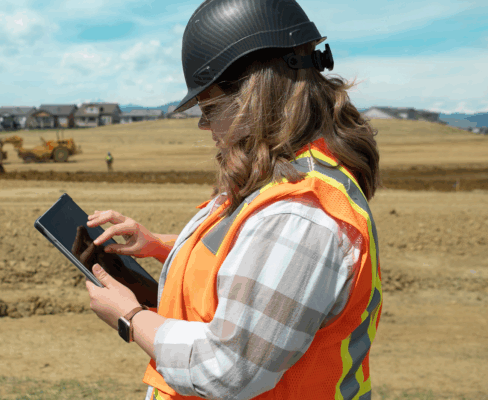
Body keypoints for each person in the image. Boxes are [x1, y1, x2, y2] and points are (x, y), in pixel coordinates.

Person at [83, 0, 382, 399]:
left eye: (209, 108)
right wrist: (163, 246)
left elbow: (227, 369)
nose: (206, 127)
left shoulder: (300, 213)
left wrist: (130, 317)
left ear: (254, 95)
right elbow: (256, 257)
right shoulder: (284, 183)